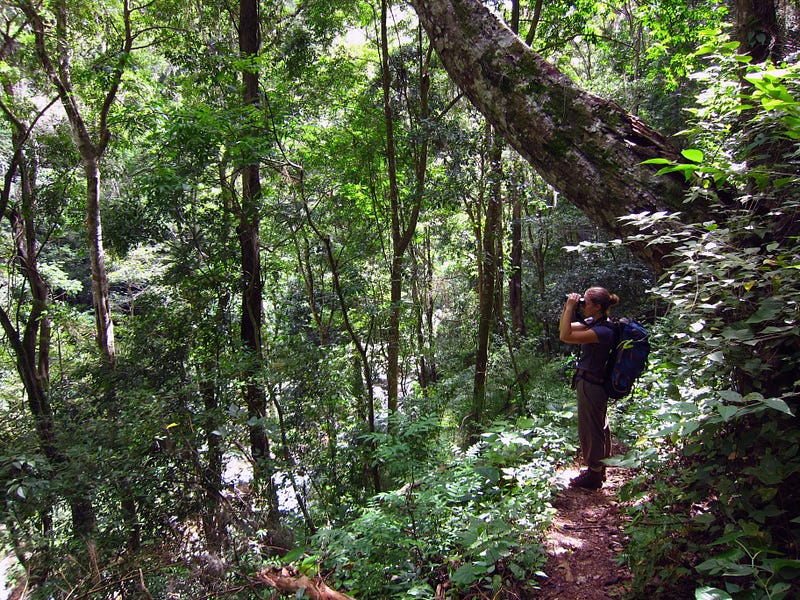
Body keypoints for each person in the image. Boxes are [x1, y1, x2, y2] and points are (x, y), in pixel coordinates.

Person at [559, 287, 618, 490]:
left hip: (592, 385)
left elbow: (565, 335)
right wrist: (569, 308)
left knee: (591, 429)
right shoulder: (598, 324)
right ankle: (599, 468)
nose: (583, 306)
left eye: (587, 303)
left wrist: (570, 307)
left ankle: (594, 475)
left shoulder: (601, 331)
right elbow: (565, 328)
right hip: (593, 383)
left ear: (598, 307)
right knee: (598, 425)